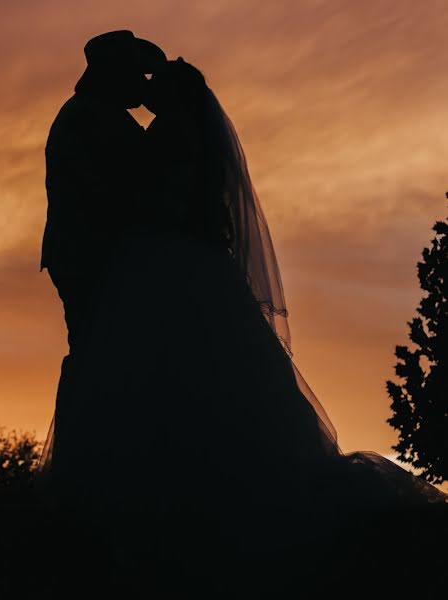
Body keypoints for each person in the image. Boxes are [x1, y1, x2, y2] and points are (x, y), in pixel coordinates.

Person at [36, 51, 448, 593]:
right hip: (166, 261)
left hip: (164, 262)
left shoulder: (165, 131)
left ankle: (158, 508)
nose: (145, 85)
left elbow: (156, 199)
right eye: (140, 75)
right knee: (188, 376)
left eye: (153, 79)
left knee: (156, 373)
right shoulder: (116, 121)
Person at [36, 30, 166, 514]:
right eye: (137, 75)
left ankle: (96, 469)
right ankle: (91, 473)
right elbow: (120, 191)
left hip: (94, 254)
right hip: (94, 257)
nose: (143, 84)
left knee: (101, 356)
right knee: (99, 356)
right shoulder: (92, 120)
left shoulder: (95, 116)